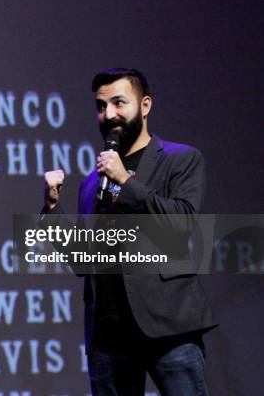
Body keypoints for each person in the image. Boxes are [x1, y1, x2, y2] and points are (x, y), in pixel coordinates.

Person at [41, 68, 216, 395]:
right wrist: (52, 208)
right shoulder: (91, 183)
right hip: (108, 336)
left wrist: (126, 181)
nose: (109, 114)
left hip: (168, 328)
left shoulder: (180, 160)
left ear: (145, 105)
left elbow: (182, 225)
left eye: (119, 103)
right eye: (101, 106)